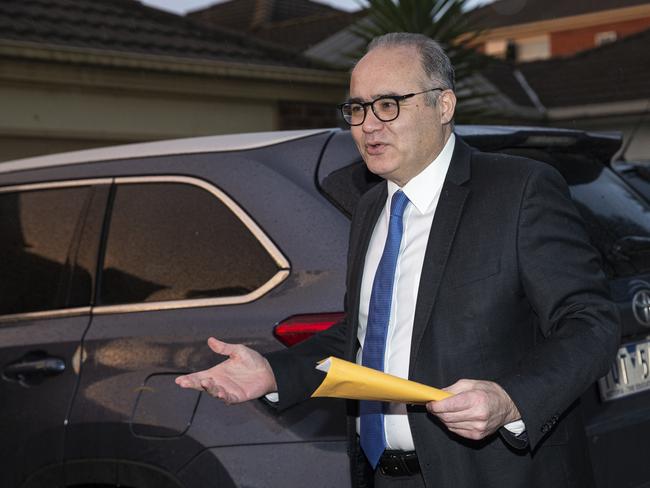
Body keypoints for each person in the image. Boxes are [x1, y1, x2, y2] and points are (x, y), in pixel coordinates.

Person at [176, 32, 620, 488]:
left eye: (389, 104)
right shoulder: (372, 207)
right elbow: (364, 338)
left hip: (495, 474)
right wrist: (274, 372)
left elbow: (590, 322)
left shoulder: (518, 190)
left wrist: (511, 399)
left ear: (443, 106)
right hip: (382, 474)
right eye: (357, 108)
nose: (369, 124)